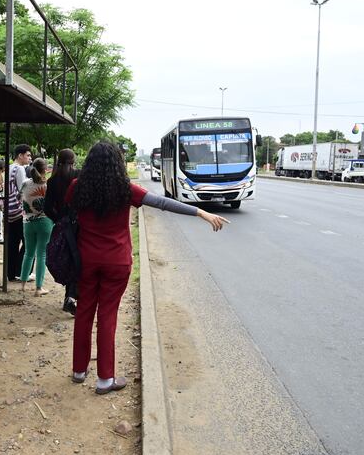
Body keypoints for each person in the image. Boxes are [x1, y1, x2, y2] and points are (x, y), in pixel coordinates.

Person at [67, 142, 229, 394]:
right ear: (117, 164)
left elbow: (65, 210)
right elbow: (163, 203)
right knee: (108, 315)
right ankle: (105, 380)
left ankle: (78, 371)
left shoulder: (77, 187)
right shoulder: (125, 189)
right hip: (117, 262)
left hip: (86, 260)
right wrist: (200, 213)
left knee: (85, 312)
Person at [44, 148, 80, 314]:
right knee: (77, 260)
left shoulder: (52, 181)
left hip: (62, 226)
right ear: (73, 161)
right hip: (79, 225)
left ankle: (70, 295)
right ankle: (71, 296)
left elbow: (47, 208)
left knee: (68, 259)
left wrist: (58, 219)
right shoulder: (79, 176)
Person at [18, 158, 54, 296]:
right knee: (41, 255)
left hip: (27, 222)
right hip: (45, 222)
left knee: (28, 253)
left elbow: (18, 198)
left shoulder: (25, 183)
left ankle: (22, 285)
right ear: (45, 170)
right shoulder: (48, 185)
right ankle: (39, 288)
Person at [8, 144, 33, 282]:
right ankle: (22, 271)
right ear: (20, 155)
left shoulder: (10, 167)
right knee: (29, 242)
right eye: (28, 155)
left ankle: (11, 273)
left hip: (9, 211)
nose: (29, 158)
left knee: (12, 242)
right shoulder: (20, 169)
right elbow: (22, 191)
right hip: (19, 211)